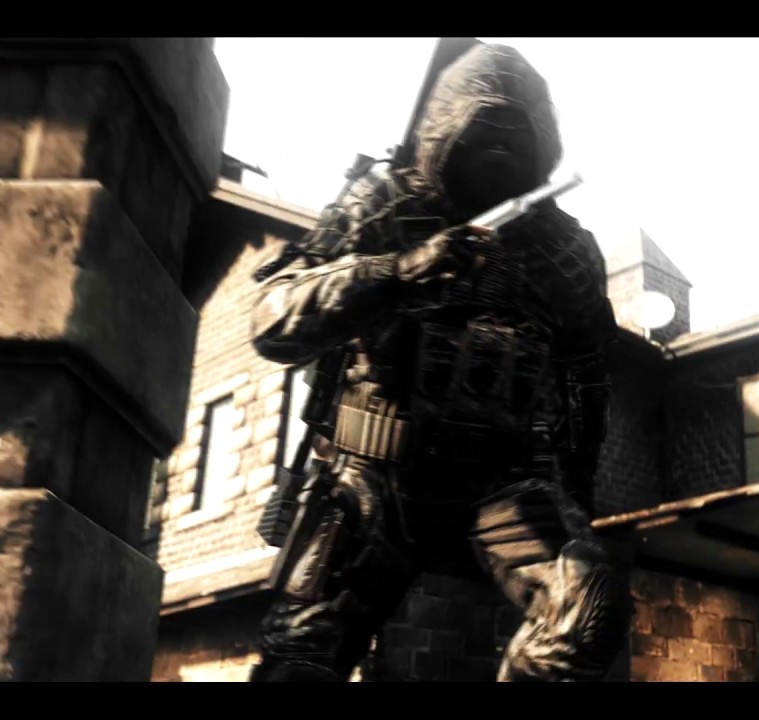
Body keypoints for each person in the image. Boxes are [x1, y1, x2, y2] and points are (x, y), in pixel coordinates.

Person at [245, 42, 626, 682]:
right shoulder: (383, 203)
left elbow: (586, 379)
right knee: (302, 656)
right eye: (483, 130)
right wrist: (395, 273)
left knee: (584, 609)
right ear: (449, 130)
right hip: (374, 477)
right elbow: (272, 319)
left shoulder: (566, 250)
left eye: (515, 134)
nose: (499, 147)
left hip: (505, 487)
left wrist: (576, 500)